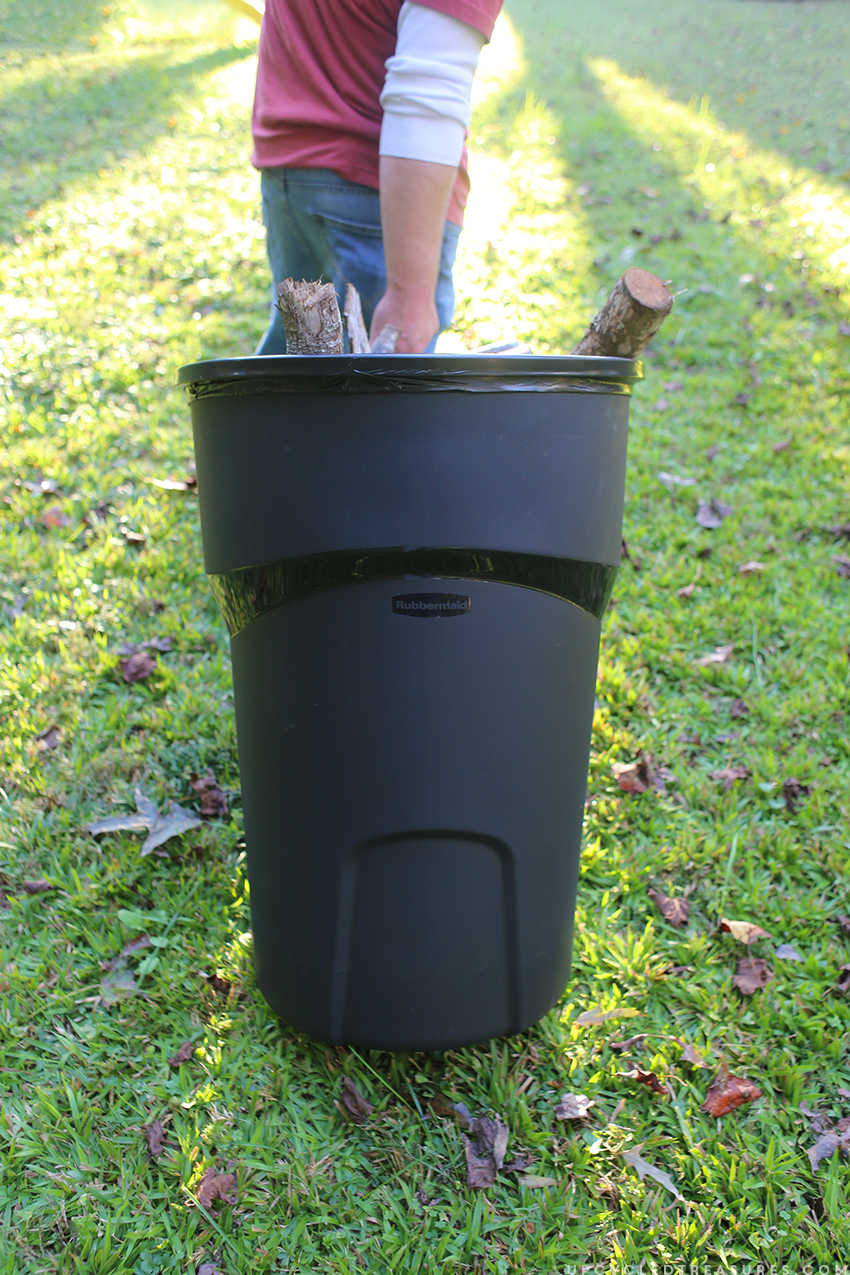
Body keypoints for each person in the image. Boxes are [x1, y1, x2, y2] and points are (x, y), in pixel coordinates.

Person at [251, 0, 504, 355]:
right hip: (375, 194)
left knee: (301, 380)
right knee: (369, 401)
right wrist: (409, 292)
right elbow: (428, 88)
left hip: (291, 169)